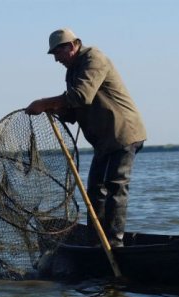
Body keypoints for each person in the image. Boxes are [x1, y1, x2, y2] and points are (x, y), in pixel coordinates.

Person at [25, 28, 146, 247]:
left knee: (115, 187)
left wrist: (44, 102)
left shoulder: (94, 58)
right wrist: (54, 109)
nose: (56, 60)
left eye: (58, 54)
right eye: (53, 55)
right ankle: (97, 240)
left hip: (123, 133)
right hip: (103, 140)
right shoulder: (72, 70)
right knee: (95, 190)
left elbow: (81, 95)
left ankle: (114, 243)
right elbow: (74, 109)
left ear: (71, 46)